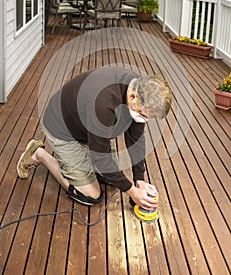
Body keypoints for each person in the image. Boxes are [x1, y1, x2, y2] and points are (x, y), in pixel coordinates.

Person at [17, 67, 172, 210]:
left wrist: (140, 180)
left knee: (113, 180)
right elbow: (101, 158)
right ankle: (38, 154)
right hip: (63, 131)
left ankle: (81, 159)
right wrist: (132, 192)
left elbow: (135, 140)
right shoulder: (103, 103)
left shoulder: (140, 89)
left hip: (89, 130)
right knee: (90, 195)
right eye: (144, 115)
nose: (144, 120)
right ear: (132, 96)